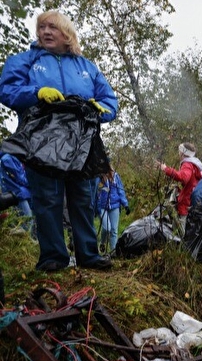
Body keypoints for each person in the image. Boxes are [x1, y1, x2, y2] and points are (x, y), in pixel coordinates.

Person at [0, 10, 118, 272]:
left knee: (82, 198)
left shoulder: (86, 67)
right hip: (42, 138)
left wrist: (101, 109)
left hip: (81, 141)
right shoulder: (26, 61)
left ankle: (88, 254)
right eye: (41, 27)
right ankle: (53, 256)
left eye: (52, 27)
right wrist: (36, 92)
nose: (45, 32)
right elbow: (7, 89)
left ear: (67, 34)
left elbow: (110, 100)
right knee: (47, 198)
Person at [156, 142, 202, 234]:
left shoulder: (187, 164)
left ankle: (180, 246)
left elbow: (183, 177)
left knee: (180, 231)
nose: (178, 153)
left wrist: (166, 169)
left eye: (179, 151)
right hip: (194, 200)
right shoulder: (196, 165)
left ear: (182, 153)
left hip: (186, 201)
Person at [96, 167, 130, 253]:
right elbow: (95, 193)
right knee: (107, 228)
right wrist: (95, 207)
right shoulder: (98, 177)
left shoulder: (115, 176)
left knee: (114, 230)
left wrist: (125, 204)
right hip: (102, 207)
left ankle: (113, 252)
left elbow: (120, 190)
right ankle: (103, 242)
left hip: (114, 205)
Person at [0, 151, 34, 235]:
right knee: (27, 224)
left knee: (25, 223)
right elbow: (20, 178)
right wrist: (35, 183)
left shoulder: (11, 157)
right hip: (17, 194)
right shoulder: (8, 158)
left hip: (18, 194)